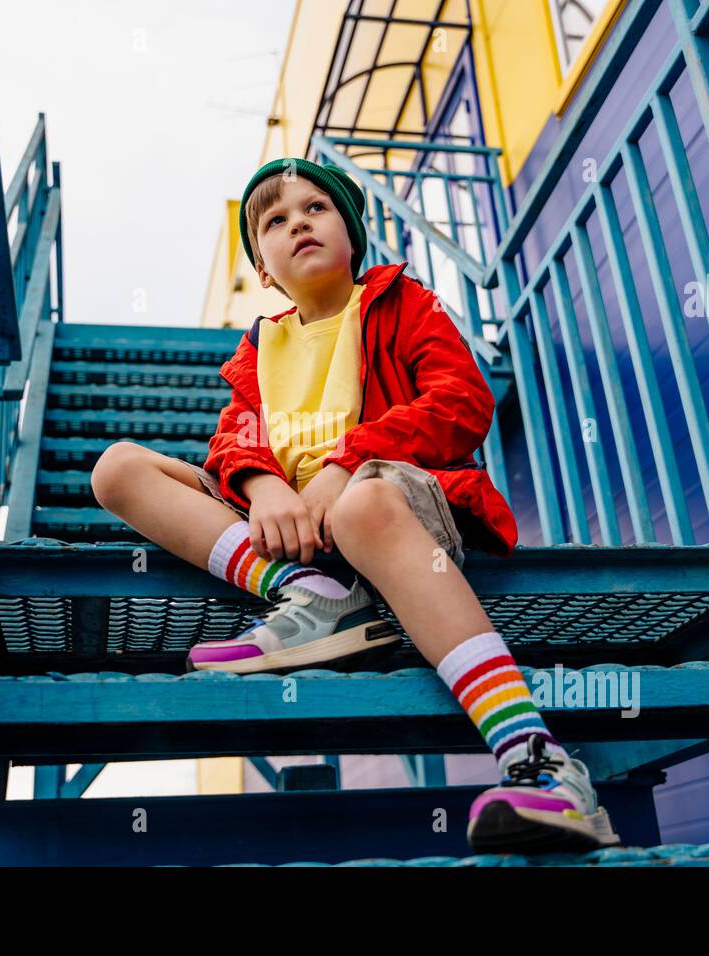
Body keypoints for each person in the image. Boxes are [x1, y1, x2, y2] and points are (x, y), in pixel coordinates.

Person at [90, 157, 620, 854]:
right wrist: (261, 484)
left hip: (389, 508)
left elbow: (463, 402)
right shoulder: (259, 351)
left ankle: (543, 765)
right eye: (274, 221)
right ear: (265, 268)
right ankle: (312, 594)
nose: (297, 223)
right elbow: (232, 441)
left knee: (361, 504)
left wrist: (347, 463)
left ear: (351, 233)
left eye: (316, 207)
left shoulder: (404, 305)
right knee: (118, 469)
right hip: (294, 538)